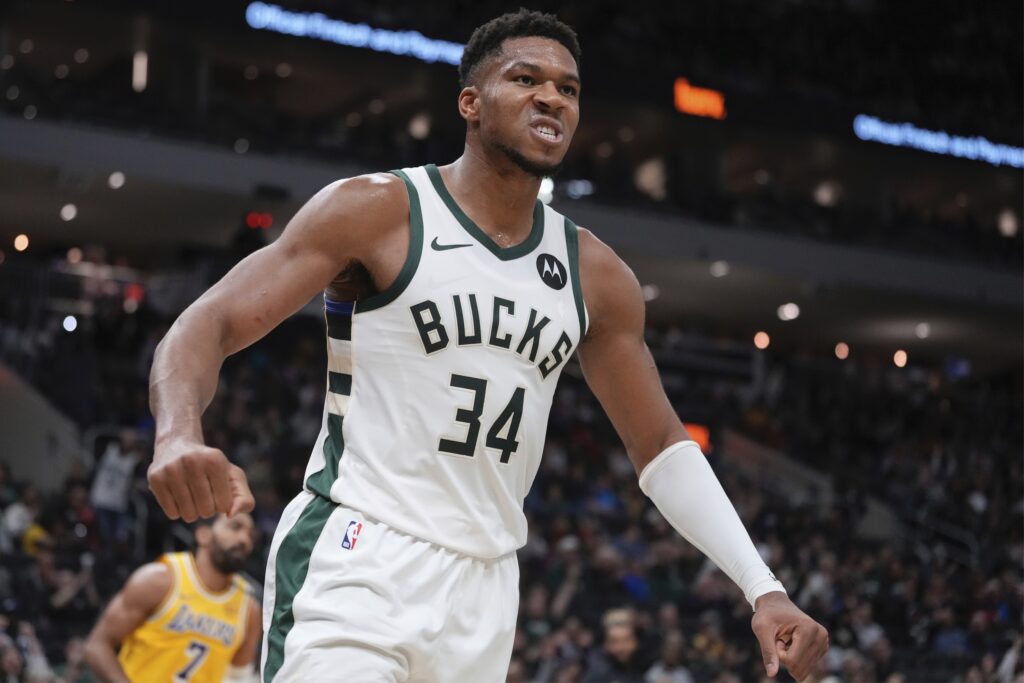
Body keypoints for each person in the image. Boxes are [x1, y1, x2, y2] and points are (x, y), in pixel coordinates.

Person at [145, 9, 829, 682]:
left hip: (485, 587)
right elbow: (209, 323)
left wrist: (761, 586)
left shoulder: (596, 274)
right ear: (470, 102)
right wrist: (177, 432)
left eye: (569, 88)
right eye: (527, 78)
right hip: (357, 555)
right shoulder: (378, 210)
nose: (552, 97)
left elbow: (662, 446)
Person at [83, 513, 260, 683]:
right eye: (235, 527)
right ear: (203, 535)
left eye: (251, 536)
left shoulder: (249, 609)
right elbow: (97, 646)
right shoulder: (159, 579)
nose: (244, 540)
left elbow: (238, 678)